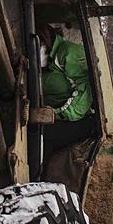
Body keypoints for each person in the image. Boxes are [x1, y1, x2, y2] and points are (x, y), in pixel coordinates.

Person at [37, 24, 95, 158]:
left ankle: (37, 178)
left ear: (44, 40)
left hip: (78, 120)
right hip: (50, 117)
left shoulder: (68, 53)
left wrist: (55, 114)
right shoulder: (41, 68)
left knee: (41, 135)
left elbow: (82, 99)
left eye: (39, 45)